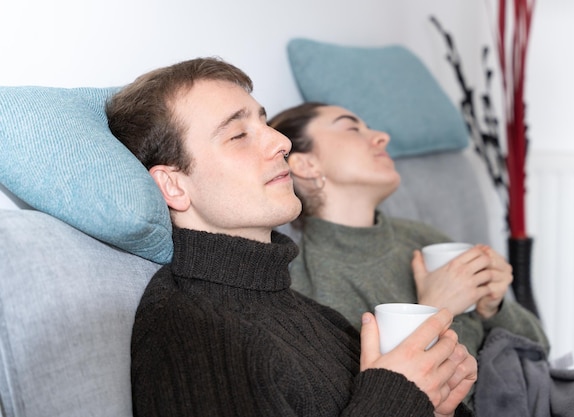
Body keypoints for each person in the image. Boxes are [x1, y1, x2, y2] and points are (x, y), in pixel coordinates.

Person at [106, 57, 476, 417]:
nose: (281, 142)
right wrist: (398, 395)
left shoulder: (305, 313)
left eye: (266, 124)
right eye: (238, 135)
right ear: (173, 186)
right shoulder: (189, 333)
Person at [268, 102, 551, 408]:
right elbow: (383, 404)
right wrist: (437, 309)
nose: (382, 137)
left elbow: (541, 350)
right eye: (352, 128)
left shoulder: (423, 239)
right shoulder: (303, 282)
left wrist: (493, 309)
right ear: (305, 165)